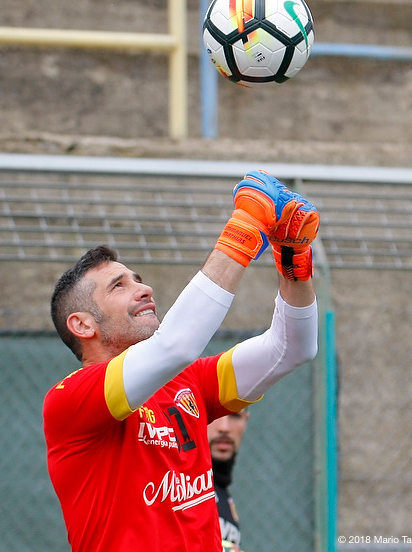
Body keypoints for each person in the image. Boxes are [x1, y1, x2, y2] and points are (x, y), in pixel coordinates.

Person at [43, 170, 320, 552]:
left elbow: (291, 349)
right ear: (82, 325)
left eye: (138, 279)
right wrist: (245, 225)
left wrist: (293, 260)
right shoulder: (69, 399)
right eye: (119, 285)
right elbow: (175, 345)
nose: (144, 289)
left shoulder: (188, 381)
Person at [208, 408, 250, 552]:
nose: (224, 428)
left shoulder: (221, 491)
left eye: (235, 415)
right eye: (212, 414)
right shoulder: (174, 486)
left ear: (245, 420)